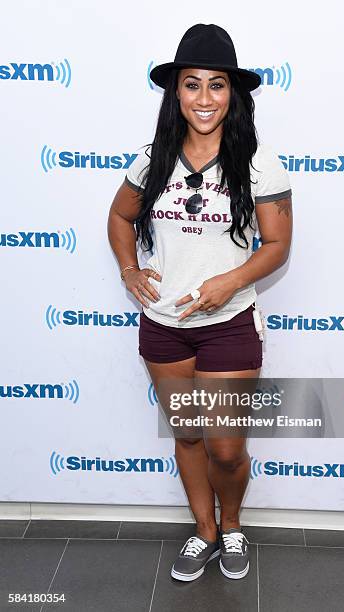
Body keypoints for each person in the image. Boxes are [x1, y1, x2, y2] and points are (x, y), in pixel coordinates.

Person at [107, 23, 292, 581]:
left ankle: (231, 526)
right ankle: (203, 531)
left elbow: (279, 245)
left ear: (233, 93)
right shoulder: (153, 159)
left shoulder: (258, 163)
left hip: (227, 325)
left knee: (227, 448)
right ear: (176, 93)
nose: (205, 98)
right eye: (193, 84)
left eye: (217, 84)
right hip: (164, 326)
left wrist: (231, 281)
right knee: (187, 433)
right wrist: (129, 268)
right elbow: (119, 217)